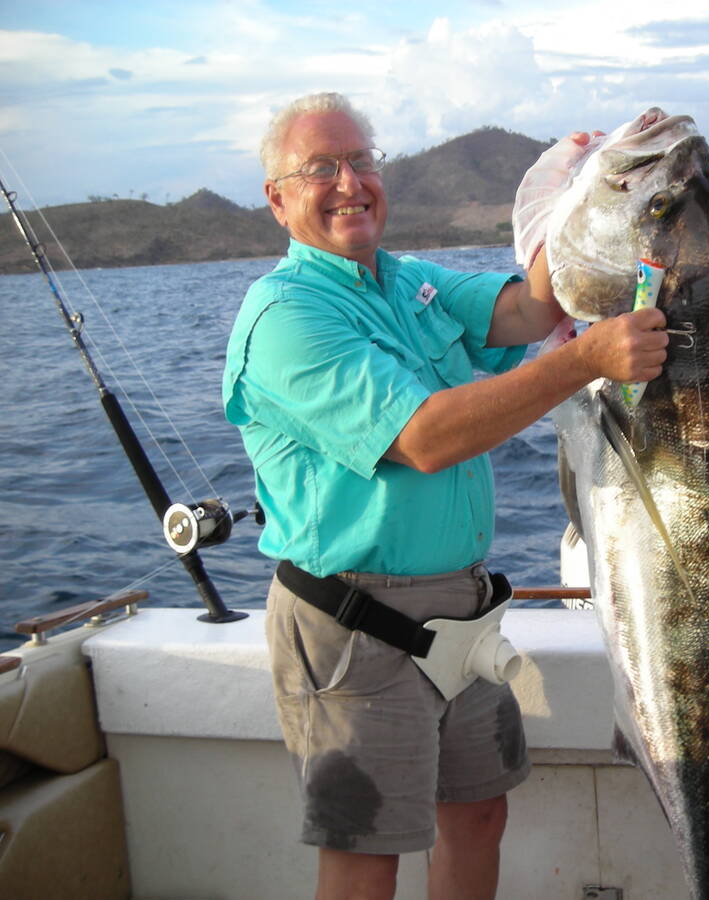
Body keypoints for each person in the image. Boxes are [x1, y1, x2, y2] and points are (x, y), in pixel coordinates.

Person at [221, 92, 667, 900]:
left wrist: (573, 190)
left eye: (362, 161)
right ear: (278, 199)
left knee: (478, 816)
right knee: (367, 856)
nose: (349, 182)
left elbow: (533, 307)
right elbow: (426, 437)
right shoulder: (285, 317)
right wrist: (586, 360)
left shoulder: (406, 282)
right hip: (353, 623)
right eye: (321, 168)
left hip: (461, 611)